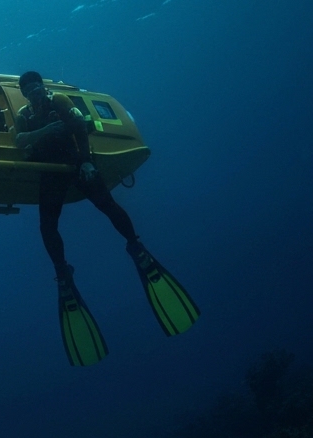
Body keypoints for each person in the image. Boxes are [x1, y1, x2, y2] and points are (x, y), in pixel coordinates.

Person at [13, 71, 198, 366]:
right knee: (47, 225)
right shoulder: (24, 114)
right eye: (29, 90)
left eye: (37, 87)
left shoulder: (58, 100)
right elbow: (20, 140)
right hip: (52, 172)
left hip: (76, 163)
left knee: (106, 204)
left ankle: (134, 244)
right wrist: (46, 131)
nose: (35, 93)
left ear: (43, 87)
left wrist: (86, 160)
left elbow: (78, 127)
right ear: (24, 94)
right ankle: (62, 271)